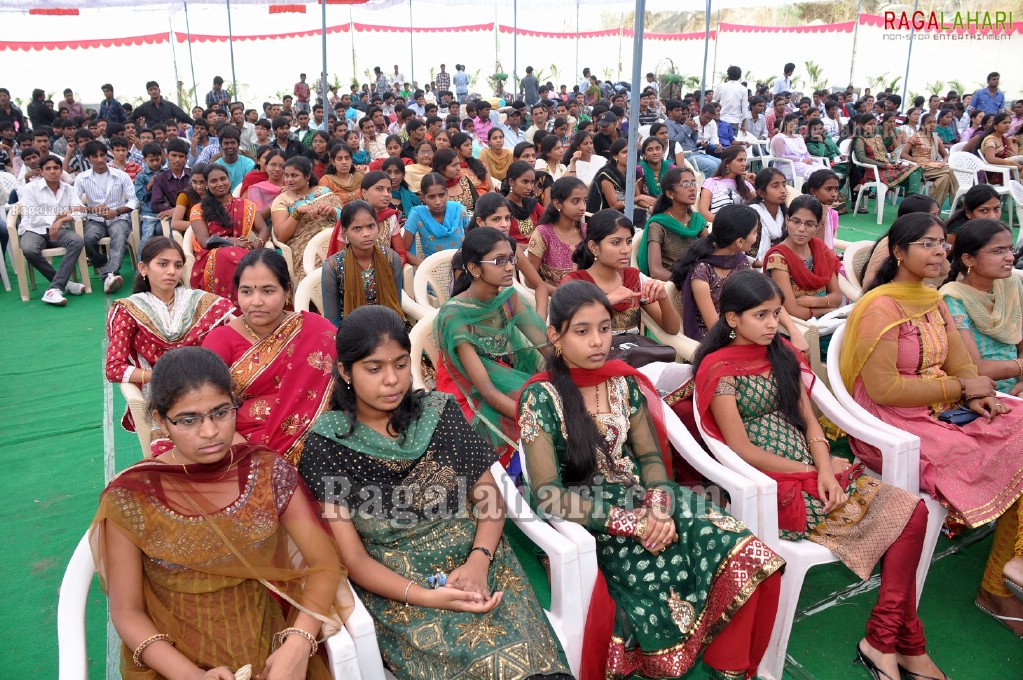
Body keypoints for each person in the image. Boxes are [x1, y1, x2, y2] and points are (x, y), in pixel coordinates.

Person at [519, 281, 784, 679]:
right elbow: (548, 496)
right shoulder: (540, 398)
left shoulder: (624, 382)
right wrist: (634, 523)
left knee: (748, 554)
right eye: (582, 331)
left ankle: (730, 668)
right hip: (593, 516)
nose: (597, 341)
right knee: (663, 587)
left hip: (648, 498)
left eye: (605, 328)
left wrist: (658, 505)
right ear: (555, 335)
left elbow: (648, 458)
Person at [694, 270, 944, 680]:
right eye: (761, 315)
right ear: (732, 319)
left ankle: (883, 641)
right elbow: (742, 448)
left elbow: (811, 422)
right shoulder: (718, 368)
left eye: (776, 313)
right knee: (904, 517)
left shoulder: (781, 353)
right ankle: (904, 644)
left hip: (814, 467)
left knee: (913, 511)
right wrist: (812, 472)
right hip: (770, 481)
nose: (773, 323)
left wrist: (825, 467)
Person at [298, 306, 570, 679]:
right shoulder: (327, 445)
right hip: (402, 588)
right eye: (374, 369)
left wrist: (479, 561)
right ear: (345, 372)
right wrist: (425, 595)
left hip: (479, 560)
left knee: (533, 663)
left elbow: (489, 499)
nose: (392, 380)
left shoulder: (437, 413)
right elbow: (355, 559)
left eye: (399, 364)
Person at [91, 346, 348, 679]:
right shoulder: (133, 496)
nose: (210, 431)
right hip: (174, 661)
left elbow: (323, 564)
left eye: (221, 412)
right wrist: (190, 675)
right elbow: (127, 612)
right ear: (159, 420)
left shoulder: (266, 473)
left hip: (271, 646)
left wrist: (298, 643)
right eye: (188, 420)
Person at [840, 212, 1023, 637]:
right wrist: (962, 388)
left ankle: (1005, 574)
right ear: (899, 252)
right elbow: (884, 389)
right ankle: (998, 586)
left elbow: (959, 360)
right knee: (986, 451)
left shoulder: (934, 299)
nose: (938, 251)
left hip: (941, 406)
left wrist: (979, 395)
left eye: (942, 242)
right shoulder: (880, 306)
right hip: (890, 424)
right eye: (925, 243)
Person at [202, 249, 337, 464]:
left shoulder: (315, 328)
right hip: (246, 449)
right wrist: (248, 455)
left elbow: (345, 384)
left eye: (267, 291)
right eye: (246, 292)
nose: (256, 301)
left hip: (323, 438)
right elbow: (207, 407)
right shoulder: (221, 340)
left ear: (287, 291)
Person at [105, 236, 235, 453]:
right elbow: (114, 368)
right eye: (162, 264)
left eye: (178, 265)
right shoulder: (129, 310)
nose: (172, 272)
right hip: (160, 392)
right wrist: (158, 375)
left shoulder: (201, 302)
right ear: (143, 268)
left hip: (206, 385)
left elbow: (234, 334)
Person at [434, 227, 548, 468]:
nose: (509, 267)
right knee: (536, 420)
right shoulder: (454, 315)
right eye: (499, 261)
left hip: (500, 375)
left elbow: (547, 346)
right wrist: (533, 418)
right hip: (465, 390)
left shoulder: (507, 298)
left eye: (511, 259)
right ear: (474, 268)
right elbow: (485, 391)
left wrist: (575, 371)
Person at [563, 209, 681, 335]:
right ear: (593, 247)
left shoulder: (633, 278)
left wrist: (663, 298)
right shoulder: (574, 284)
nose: (626, 250)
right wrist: (605, 301)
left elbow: (672, 329)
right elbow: (564, 331)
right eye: (616, 242)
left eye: (629, 241)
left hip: (633, 352)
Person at [939, 219, 1023, 396]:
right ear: (969, 259)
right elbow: (975, 368)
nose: (1010, 257)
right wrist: (1021, 367)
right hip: (985, 393)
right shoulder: (953, 298)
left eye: (1010, 249)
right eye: (998, 251)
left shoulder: (1010, 285)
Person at [188, 164, 271, 302]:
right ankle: (229, 307)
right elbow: (204, 241)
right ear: (207, 185)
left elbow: (264, 230)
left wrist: (257, 244)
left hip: (245, 251)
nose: (220, 184)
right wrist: (232, 242)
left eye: (223, 179)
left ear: (229, 180)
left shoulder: (245, 204)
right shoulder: (198, 209)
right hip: (212, 254)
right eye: (214, 181)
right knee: (223, 254)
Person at [14, 155, 87, 306]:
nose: (52, 172)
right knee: (29, 249)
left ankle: (55, 287)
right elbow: (32, 217)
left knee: (77, 241)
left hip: (59, 229)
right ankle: (64, 284)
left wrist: (61, 220)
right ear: (41, 171)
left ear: (61, 171)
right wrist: (58, 215)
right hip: (33, 230)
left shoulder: (68, 189)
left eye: (56, 168)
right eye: (48, 168)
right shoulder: (29, 188)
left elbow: (81, 210)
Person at [321, 200, 404, 327]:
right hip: (350, 332)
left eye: (371, 226)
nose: (366, 234)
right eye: (357, 229)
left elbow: (396, 307)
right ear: (344, 232)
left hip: (387, 326)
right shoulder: (333, 267)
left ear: (378, 227)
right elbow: (333, 321)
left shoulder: (391, 258)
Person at [764, 195, 842, 321]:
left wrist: (813, 301)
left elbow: (837, 297)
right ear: (787, 220)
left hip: (827, 321)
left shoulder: (820, 249)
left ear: (817, 227)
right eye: (796, 221)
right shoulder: (778, 258)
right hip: (797, 326)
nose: (801, 229)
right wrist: (828, 308)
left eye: (809, 224)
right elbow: (794, 311)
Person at [76, 140, 138, 294]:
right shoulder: (81, 178)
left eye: (102, 155)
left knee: (118, 235)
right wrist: (92, 210)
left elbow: (134, 199)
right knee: (88, 238)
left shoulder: (120, 175)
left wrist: (116, 211)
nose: (99, 159)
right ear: (88, 159)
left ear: (107, 155)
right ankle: (105, 268)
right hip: (95, 219)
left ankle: (111, 274)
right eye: (94, 156)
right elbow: (75, 205)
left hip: (118, 218)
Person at [270, 156, 343, 283]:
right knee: (321, 265)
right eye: (286, 176)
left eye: (294, 175)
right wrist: (298, 213)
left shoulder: (323, 191)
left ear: (307, 176)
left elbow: (346, 220)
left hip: (334, 237)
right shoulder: (282, 200)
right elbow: (281, 236)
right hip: (303, 245)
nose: (289, 180)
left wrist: (332, 211)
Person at [403, 172, 469, 265]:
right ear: (423, 197)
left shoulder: (459, 210)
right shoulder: (417, 214)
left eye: (441, 195)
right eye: (431, 197)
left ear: (447, 192)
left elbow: (471, 241)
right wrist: (425, 267)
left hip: (461, 267)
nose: (438, 202)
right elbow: (404, 250)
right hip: (432, 271)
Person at [851, 114, 921, 199]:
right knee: (912, 174)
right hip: (874, 171)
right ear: (862, 125)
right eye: (870, 124)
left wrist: (894, 163)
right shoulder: (860, 139)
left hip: (887, 167)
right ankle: (913, 200)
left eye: (874, 124)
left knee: (916, 169)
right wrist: (883, 165)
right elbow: (862, 158)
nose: (873, 126)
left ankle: (911, 203)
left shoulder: (877, 137)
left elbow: (884, 155)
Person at [900, 114, 958, 209]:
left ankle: (931, 210)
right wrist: (917, 160)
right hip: (921, 168)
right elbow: (903, 154)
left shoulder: (936, 138)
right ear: (923, 125)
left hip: (935, 167)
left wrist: (944, 161)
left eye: (934, 122)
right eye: (929, 122)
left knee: (945, 178)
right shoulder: (916, 136)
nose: (933, 124)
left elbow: (946, 155)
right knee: (951, 169)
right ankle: (957, 201)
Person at [697, 146, 755, 223]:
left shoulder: (746, 183)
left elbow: (760, 205)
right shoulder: (711, 182)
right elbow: (704, 212)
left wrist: (757, 183)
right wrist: (725, 226)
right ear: (727, 163)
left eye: (745, 160)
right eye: (740, 160)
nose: (744, 164)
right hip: (723, 229)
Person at [770, 115, 826, 182]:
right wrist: (801, 160)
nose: (795, 126)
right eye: (793, 123)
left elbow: (805, 152)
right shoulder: (779, 138)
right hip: (788, 165)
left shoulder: (798, 137)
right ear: (785, 124)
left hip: (803, 162)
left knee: (824, 171)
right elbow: (781, 157)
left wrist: (809, 159)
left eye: (796, 123)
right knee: (814, 174)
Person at [977, 112, 1023, 183]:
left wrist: (1010, 142)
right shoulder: (991, 140)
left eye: (1009, 122)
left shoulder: (1003, 138)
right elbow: (990, 159)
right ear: (995, 125)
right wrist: (1011, 163)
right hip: (995, 172)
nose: (1008, 125)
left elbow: (1014, 155)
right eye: (1004, 123)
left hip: (1007, 169)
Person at [431, 147, 478, 213]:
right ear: (441, 168)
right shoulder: (434, 187)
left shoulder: (464, 181)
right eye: (454, 165)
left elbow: (478, 204)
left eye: (458, 164)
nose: (458, 168)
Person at [319, 142, 364, 206]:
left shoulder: (359, 177)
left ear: (351, 160)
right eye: (339, 159)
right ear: (333, 162)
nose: (344, 162)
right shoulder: (327, 181)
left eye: (347, 158)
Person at [381, 157, 420, 227]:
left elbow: (420, 222)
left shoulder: (412, 198)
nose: (393, 177)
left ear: (403, 175)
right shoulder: (378, 198)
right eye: (389, 172)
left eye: (397, 172)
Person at [452, 131, 491, 196]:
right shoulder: (453, 168)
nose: (471, 148)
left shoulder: (479, 164)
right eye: (466, 145)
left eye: (471, 144)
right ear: (456, 148)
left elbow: (491, 188)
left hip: (487, 199)